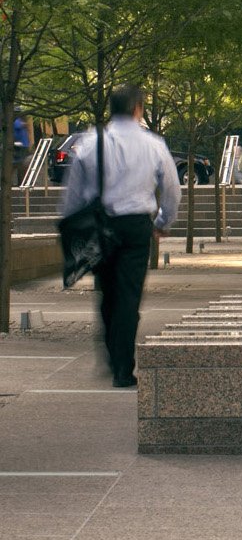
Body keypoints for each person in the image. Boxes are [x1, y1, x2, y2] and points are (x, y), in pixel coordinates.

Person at [60, 84, 180, 389]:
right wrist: (163, 221)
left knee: (107, 291)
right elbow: (171, 188)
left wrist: (73, 227)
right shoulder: (153, 144)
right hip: (137, 225)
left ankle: (114, 355)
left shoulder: (89, 143)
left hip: (101, 226)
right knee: (129, 295)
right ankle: (123, 369)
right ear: (138, 108)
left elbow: (73, 194)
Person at [13, 106, 31, 184]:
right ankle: (21, 181)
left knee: (23, 163)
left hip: (24, 145)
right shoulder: (16, 121)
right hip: (20, 146)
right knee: (20, 163)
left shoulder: (19, 121)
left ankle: (22, 181)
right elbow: (21, 125)